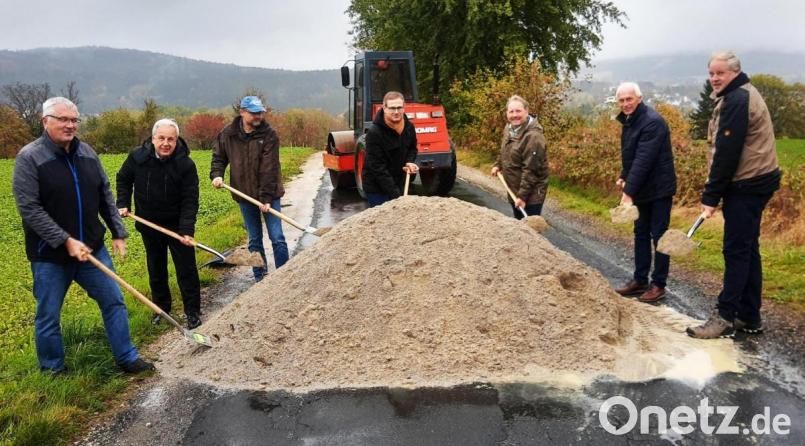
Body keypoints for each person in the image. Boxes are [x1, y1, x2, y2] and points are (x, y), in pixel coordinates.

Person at [12, 97, 153, 374]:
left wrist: (117, 231)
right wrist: (64, 240)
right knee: (48, 315)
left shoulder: (87, 152)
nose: (70, 125)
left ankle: (127, 357)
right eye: (63, 119)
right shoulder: (30, 157)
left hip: (91, 249)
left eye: (74, 120)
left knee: (113, 301)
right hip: (50, 255)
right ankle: (52, 370)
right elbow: (29, 208)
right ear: (45, 121)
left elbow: (104, 193)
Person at [687, 51, 781, 339]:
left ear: (734, 73)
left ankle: (726, 317)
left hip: (748, 183)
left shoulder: (738, 99)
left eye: (720, 73)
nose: (714, 78)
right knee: (748, 248)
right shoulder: (737, 94)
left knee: (736, 250)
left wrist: (711, 197)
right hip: (756, 180)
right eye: (711, 73)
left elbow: (727, 154)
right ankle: (749, 316)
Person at [116, 119, 201, 329]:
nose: (166, 143)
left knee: (186, 269)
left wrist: (187, 231)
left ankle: (193, 312)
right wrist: (123, 203)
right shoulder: (137, 158)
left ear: (176, 140)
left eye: (170, 139)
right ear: (153, 139)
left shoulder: (185, 164)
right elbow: (123, 179)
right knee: (156, 269)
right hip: (148, 224)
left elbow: (190, 200)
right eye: (161, 138)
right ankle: (162, 310)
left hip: (177, 226)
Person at [612, 82, 677, 303]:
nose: (625, 104)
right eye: (621, 100)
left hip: (659, 188)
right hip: (642, 188)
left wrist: (628, 192)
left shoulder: (653, 122)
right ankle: (640, 280)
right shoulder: (629, 121)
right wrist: (624, 174)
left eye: (629, 99)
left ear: (639, 98)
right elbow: (631, 155)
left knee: (660, 237)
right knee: (640, 233)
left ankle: (658, 284)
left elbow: (644, 159)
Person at [211, 96, 288, 282]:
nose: (258, 116)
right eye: (254, 113)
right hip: (244, 195)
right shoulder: (228, 134)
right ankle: (261, 279)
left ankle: (285, 278)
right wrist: (217, 175)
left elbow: (269, 169)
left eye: (260, 112)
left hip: (269, 195)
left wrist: (266, 198)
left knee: (277, 237)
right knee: (254, 239)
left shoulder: (269, 134)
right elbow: (218, 157)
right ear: (242, 112)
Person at [491, 95, 549, 219]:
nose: (514, 115)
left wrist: (522, 197)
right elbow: (505, 150)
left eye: (518, 111)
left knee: (530, 231)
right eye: (511, 111)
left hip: (531, 195)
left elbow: (531, 171)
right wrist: (498, 164)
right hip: (514, 190)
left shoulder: (534, 137)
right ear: (507, 113)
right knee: (519, 227)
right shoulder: (509, 128)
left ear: (526, 112)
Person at [361, 91, 419, 207]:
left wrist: (409, 162)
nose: (396, 112)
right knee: (383, 223)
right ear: (384, 108)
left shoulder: (409, 127)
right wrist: (397, 196)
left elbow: (412, 148)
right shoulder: (374, 133)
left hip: (399, 183)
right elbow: (378, 168)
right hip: (377, 189)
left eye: (399, 108)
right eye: (392, 108)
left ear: (404, 107)